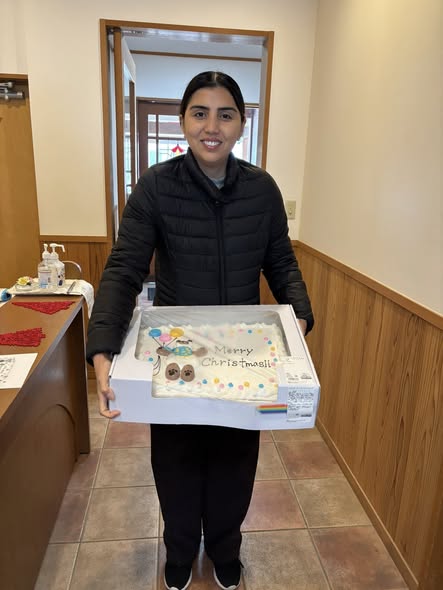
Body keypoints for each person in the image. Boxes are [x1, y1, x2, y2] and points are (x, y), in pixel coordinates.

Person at [86, 71, 314, 590]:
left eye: (225, 114)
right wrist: (102, 350)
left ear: (241, 124)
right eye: (200, 113)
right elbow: (124, 269)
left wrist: (298, 317)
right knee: (177, 464)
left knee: (236, 463)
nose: (212, 126)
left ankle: (227, 549)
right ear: (183, 120)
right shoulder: (155, 186)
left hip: (244, 356)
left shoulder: (262, 190)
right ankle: (180, 550)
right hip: (177, 353)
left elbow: (282, 262)